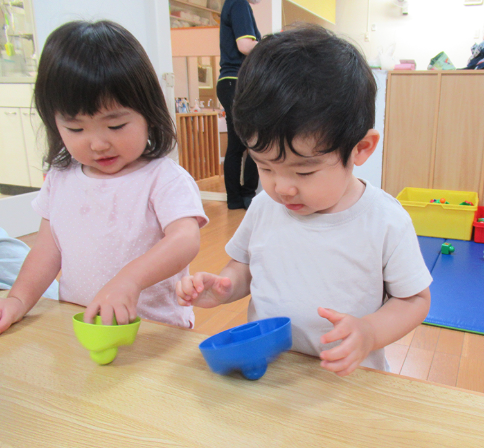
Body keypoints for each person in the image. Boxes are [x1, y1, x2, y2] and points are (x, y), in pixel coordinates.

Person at [176, 25, 432, 376]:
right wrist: (225, 287)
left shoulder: (384, 220)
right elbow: (246, 267)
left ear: (360, 148)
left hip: (347, 379)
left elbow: (414, 299)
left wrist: (370, 332)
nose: (283, 188)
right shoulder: (265, 207)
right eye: (265, 166)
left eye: (304, 171)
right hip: (272, 373)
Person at [0, 20, 208, 334]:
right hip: (83, 326)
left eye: (115, 126)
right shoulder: (61, 178)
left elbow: (185, 239)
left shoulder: (163, 178)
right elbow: (46, 251)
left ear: (149, 114)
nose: (98, 144)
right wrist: (17, 299)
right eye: (76, 128)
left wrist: (130, 280)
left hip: (153, 330)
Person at [217, 0, 261, 210]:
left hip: (230, 83)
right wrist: (271, 45)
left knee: (238, 144)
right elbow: (245, 45)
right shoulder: (239, 3)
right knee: (255, 141)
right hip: (237, 82)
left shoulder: (234, 3)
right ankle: (246, 195)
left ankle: (236, 199)